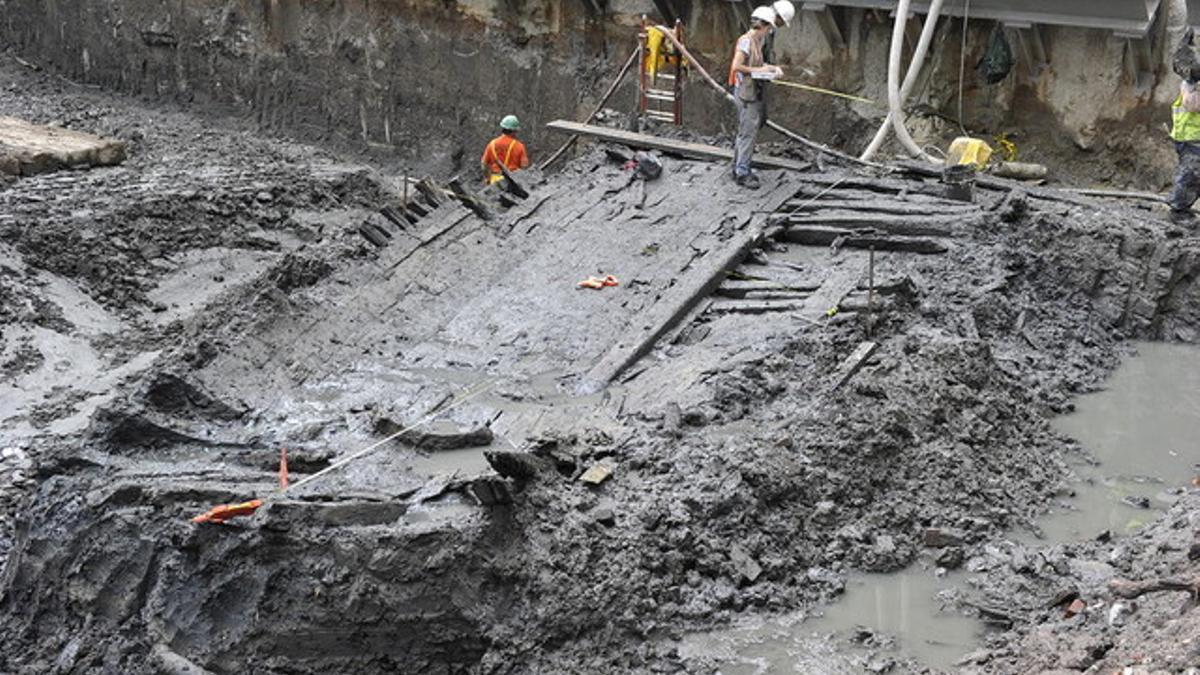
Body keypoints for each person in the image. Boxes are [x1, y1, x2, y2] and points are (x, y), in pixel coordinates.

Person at [728, 6, 783, 189]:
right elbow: (737, 66)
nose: (769, 31)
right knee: (747, 133)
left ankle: (738, 167)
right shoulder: (746, 41)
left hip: (750, 92)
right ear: (763, 25)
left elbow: (757, 63)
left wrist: (772, 69)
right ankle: (742, 173)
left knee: (745, 131)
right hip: (746, 94)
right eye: (769, 27)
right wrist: (759, 70)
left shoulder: (757, 40)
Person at [1170, 29, 1200, 225]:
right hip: (1191, 139)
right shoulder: (1191, 83)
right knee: (1191, 174)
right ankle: (1179, 211)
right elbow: (1192, 105)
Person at [481, 115, 529, 185]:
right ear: (514, 131)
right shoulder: (519, 146)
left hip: (496, 181)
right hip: (513, 182)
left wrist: (487, 178)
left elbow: (484, 165)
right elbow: (524, 166)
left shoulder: (492, 144)